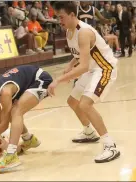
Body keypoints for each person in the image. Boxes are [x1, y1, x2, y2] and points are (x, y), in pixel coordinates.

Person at [48, 2, 120, 163]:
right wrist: (70, 65)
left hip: (104, 68)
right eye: (58, 17)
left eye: (62, 17)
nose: (59, 21)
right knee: (72, 101)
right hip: (91, 69)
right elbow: (80, 54)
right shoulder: (69, 31)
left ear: (73, 15)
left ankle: (110, 145)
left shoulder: (84, 32)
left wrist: (58, 80)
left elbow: (84, 66)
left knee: (85, 104)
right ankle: (89, 132)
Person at [0, 65, 53, 173]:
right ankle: (29, 139)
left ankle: (11, 155)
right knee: (10, 112)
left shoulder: (4, 93)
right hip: (28, 83)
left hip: (40, 79)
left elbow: (4, 125)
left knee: (16, 111)